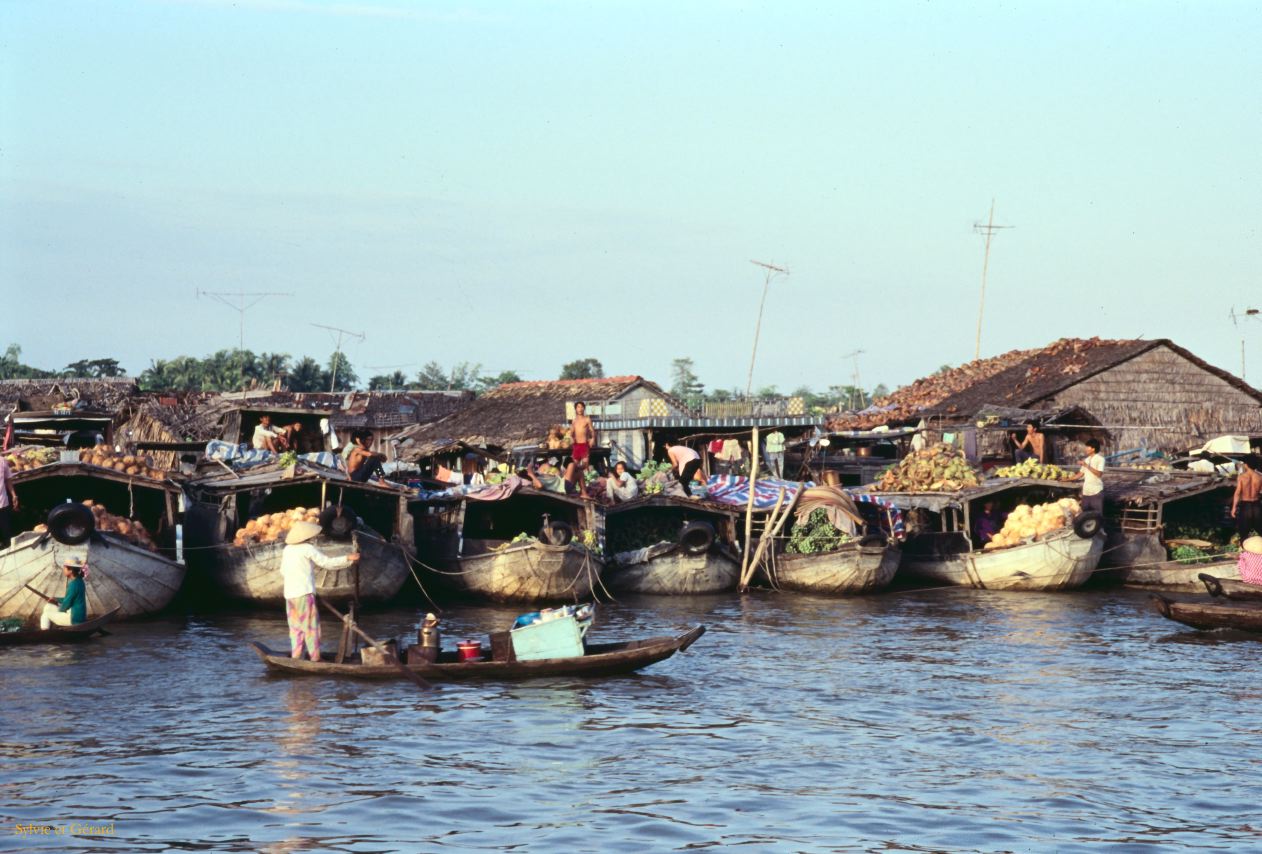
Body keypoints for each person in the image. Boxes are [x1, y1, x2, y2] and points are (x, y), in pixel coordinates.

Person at [280, 521, 359, 661]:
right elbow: (326, 563)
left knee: (296, 629)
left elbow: (283, 572)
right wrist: (348, 558)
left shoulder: (287, 550)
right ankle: (315, 658)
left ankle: (296, 656)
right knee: (311, 628)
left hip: (290, 596)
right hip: (304, 594)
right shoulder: (307, 548)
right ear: (307, 537)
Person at [39, 558, 87, 629]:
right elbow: (70, 599)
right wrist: (56, 599)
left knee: (46, 614)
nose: (63, 570)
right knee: (49, 606)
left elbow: (65, 605)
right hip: (80, 616)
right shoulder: (80, 581)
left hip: (74, 619)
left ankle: (45, 633)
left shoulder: (73, 585)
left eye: (64, 568)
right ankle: (49, 627)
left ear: (70, 570)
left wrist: (58, 610)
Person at [1232, 455, 1262, 541]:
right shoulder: (1260, 477)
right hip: (1257, 506)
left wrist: (1234, 508)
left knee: (1244, 533)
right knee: (1260, 530)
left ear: (1246, 465)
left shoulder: (1242, 477)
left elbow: (1237, 493)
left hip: (1245, 506)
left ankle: (1245, 552)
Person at [1073, 437, 1106, 514]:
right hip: (1086, 492)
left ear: (1093, 449)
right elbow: (1080, 474)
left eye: (1088, 447)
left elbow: (1099, 474)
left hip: (1096, 492)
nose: (1086, 449)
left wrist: (1086, 465)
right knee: (1084, 516)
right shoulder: (1087, 460)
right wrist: (1067, 479)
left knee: (1096, 516)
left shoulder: (1100, 459)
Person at [570, 402, 596, 476]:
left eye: (581, 407)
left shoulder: (587, 419)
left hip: (584, 445)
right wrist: (571, 437)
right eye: (578, 407)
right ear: (575, 409)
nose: (580, 409)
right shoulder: (574, 420)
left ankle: (587, 482)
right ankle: (576, 483)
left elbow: (592, 430)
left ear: (584, 408)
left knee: (585, 466)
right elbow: (571, 432)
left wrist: (593, 438)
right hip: (576, 446)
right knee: (575, 466)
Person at [0, 452, 17, 549]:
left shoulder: (2, 461)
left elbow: (8, 479)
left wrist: (14, 495)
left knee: (6, 531)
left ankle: (7, 547)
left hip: (2, 502)